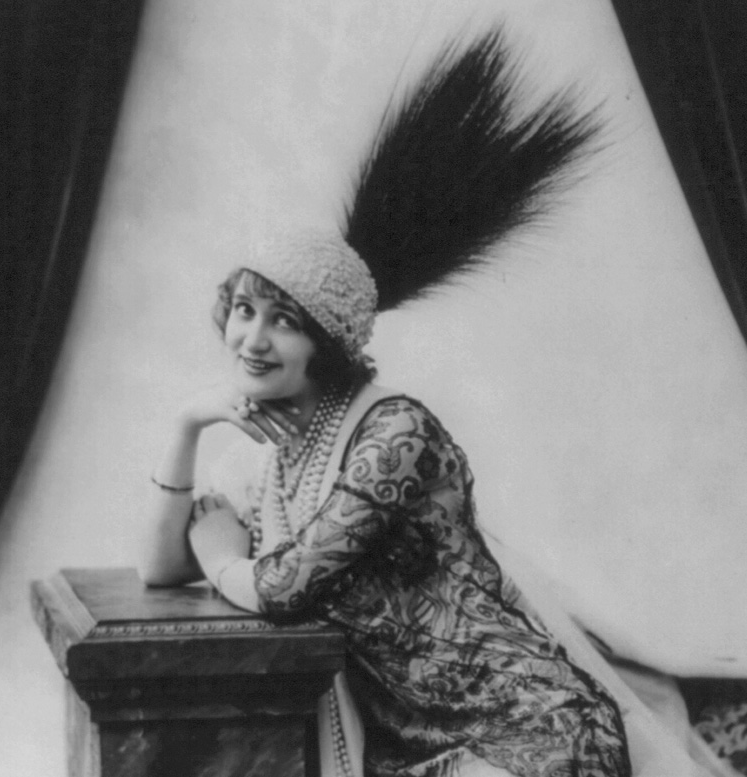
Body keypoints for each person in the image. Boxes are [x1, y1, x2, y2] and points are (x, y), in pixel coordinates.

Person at [138, 31, 737, 777]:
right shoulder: (271, 455)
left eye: (283, 321)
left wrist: (226, 558)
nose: (252, 339)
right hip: (421, 750)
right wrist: (185, 427)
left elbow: (284, 588)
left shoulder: (395, 432)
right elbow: (162, 569)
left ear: (327, 340)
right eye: (243, 309)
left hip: (536, 733)